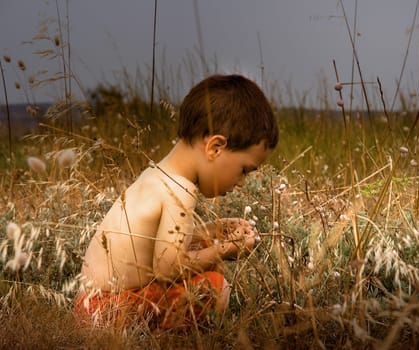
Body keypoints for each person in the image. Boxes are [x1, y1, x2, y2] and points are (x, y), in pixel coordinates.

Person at [74, 74, 279, 329]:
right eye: (244, 170)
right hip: (107, 310)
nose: (241, 182)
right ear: (215, 147)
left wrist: (207, 233)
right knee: (215, 288)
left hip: (90, 305)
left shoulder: (158, 174)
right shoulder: (181, 191)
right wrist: (226, 249)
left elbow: (157, 247)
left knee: (204, 267)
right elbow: (168, 269)